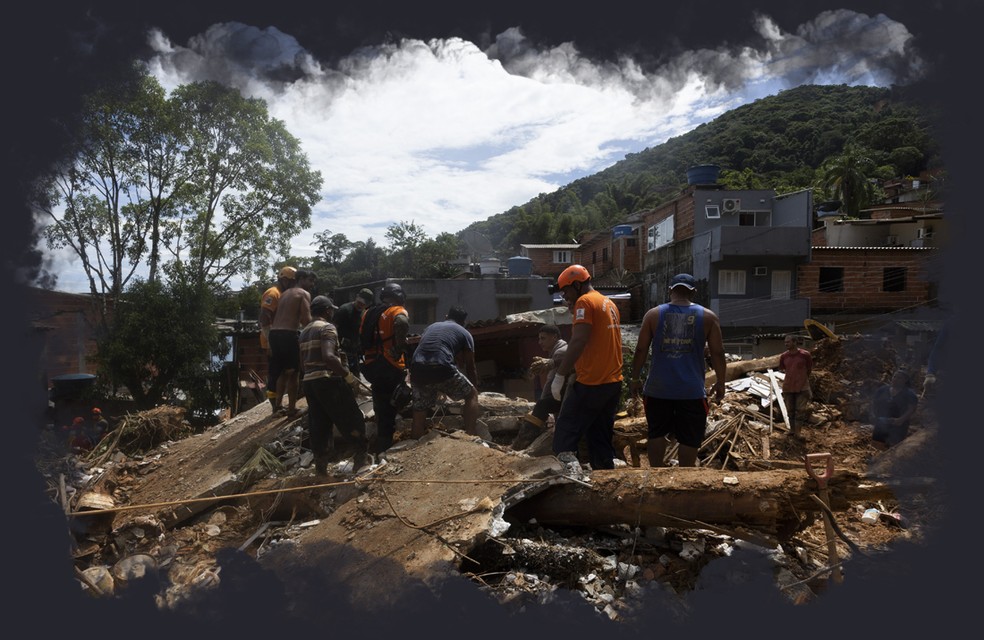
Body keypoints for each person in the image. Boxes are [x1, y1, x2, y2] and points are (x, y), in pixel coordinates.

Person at [630, 273, 726, 468]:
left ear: (670, 290)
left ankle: (655, 474)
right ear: (693, 292)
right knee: (689, 437)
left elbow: (641, 349)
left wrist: (634, 378)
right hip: (691, 390)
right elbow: (717, 352)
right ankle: (684, 476)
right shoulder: (708, 317)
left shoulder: (653, 315)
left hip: (658, 388)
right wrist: (721, 381)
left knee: (656, 432)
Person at [550, 265, 623, 474]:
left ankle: (569, 482)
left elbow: (578, 340)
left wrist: (560, 374)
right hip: (612, 382)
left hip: (593, 382)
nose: (565, 296)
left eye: (566, 291)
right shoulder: (607, 302)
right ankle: (605, 478)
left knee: (564, 434)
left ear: (577, 284)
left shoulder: (585, 301)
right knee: (599, 437)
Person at [298, 295, 370, 476]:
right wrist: (348, 376)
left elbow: (302, 363)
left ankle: (321, 471)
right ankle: (361, 461)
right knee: (351, 417)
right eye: (331, 310)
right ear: (327, 311)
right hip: (327, 380)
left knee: (319, 424)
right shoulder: (327, 328)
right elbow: (329, 357)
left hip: (310, 382)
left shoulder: (304, 332)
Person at [409, 305, 489, 441]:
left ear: (446, 317)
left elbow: (434, 346)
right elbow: (470, 366)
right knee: (471, 395)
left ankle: (415, 441)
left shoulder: (431, 327)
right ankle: (470, 435)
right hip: (441, 366)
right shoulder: (465, 333)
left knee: (420, 407)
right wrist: (474, 388)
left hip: (417, 368)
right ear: (463, 322)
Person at [360, 282, 410, 456]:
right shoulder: (396, 311)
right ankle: (387, 449)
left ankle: (381, 444)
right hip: (389, 364)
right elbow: (402, 322)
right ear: (399, 296)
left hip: (371, 365)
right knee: (395, 402)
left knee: (380, 404)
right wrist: (400, 347)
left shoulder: (368, 313)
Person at [512, 324, 572, 451]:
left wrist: (543, 400)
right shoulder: (556, 351)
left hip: (569, 397)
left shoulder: (561, 351)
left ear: (554, 337)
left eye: (543, 338)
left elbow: (554, 381)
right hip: (563, 397)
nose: (540, 342)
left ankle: (521, 444)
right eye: (539, 339)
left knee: (542, 406)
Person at [269, 268, 316, 418]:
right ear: (301, 279)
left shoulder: (284, 294)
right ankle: (291, 410)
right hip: (288, 334)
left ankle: (277, 408)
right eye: (310, 280)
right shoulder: (303, 294)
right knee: (294, 373)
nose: (312, 284)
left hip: (274, 334)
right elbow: (306, 320)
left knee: (282, 372)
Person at [259, 266, 297, 410]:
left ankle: (279, 404)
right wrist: (270, 342)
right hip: (272, 340)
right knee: (275, 372)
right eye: (291, 282)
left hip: (280, 340)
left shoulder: (284, 294)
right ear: (284, 280)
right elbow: (264, 318)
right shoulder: (273, 293)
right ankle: (275, 406)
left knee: (284, 371)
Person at [870, 370, 919, 449]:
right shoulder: (882, 390)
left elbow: (912, 408)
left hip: (898, 424)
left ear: (905, 381)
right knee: (877, 444)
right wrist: (873, 414)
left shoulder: (909, 394)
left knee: (894, 447)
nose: (895, 379)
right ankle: (877, 459)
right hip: (882, 421)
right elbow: (873, 402)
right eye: (894, 377)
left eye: (899, 378)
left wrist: (901, 419)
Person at [778, 333, 814, 438]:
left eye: (788, 342)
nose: (786, 344)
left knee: (800, 410)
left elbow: (809, 369)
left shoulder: (805, 355)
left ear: (795, 342)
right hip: (788, 387)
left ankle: (798, 432)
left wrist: (802, 379)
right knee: (790, 410)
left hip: (802, 387)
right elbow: (783, 368)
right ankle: (792, 430)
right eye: (785, 342)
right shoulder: (784, 356)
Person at [333, 288, 374, 379]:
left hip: (354, 351)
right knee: (343, 377)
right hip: (342, 349)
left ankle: (356, 391)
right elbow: (333, 328)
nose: (361, 305)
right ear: (356, 297)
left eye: (364, 304)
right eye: (360, 302)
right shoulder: (344, 309)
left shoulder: (364, 314)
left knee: (355, 377)